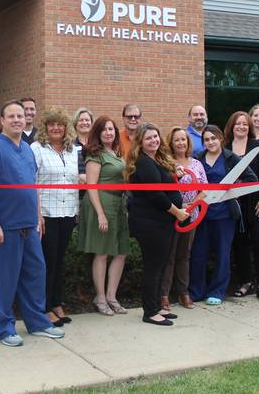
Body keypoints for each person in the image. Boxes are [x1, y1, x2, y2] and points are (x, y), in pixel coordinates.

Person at [0, 100, 64, 347]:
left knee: (35, 274)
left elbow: (33, 185)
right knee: (4, 280)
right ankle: (4, 329)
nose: (18, 119)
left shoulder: (27, 149)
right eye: (12, 116)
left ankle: (37, 323)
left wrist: (38, 216)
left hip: (29, 225)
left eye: (21, 116)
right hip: (4, 228)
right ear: (2, 121)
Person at [126, 124, 190, 326]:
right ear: (140, 143)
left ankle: (156, 307)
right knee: (153, 267)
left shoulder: (158, 160)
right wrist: (177, 211)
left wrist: (175, 175)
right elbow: (156, 195)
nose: (153, 140)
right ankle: (150, 311)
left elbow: (166, 185)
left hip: (163, 223)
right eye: (148, 138)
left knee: (160, 265)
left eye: (155, 136)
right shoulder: (144, 163)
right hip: (150, 224)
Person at [190, 126, 257, 306]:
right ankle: (196, 291)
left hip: (224, 215)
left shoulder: (230, 158)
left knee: (222, 253)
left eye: (213, 138)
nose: (210, 142)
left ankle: (217, 291)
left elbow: (252, 179)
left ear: (220, 139)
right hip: (201, 213)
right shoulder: (197, 159)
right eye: (206, 139)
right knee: (198, 253)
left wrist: (232, 188)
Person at [77, 116, 131, 316]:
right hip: (101, 203)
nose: (109, 132)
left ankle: (111, 296)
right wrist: (100, 214)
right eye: (104, 129)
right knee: (102, 252)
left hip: (118, 205)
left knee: (121, 252)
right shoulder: (95, 154)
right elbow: (91, 186)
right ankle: (100, 298)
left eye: (112, 129)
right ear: (98, 133)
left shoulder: (116, 154)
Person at [30, 107, 79, 326]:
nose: (56, 128)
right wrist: (37, 214)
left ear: (66, 127)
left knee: (59, 260)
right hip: (47, 213)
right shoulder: (36, 149)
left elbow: (73, 181)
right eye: (52, 124)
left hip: (68, 212)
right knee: (47, 261)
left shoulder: (72, 151)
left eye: (60, 124)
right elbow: (32, 182)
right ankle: (44, 307)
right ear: (45, 127)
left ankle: (57, 302)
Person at [224, 112, 259, 303]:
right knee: (240, 245)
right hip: (236, 205)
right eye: (238, 124)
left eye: (245, 124)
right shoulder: (225, 149)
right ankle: (246, 282)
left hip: (258, 203)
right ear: (231, 126)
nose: (242, 127)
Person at [162, 127, 207, 310]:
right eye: (177, 140)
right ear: (171, 143)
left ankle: (183, 293)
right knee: (169, 255)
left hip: (191, 215)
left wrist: (191, 206)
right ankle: (163, 295)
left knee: (184, 255)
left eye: (183, 140)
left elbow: (205, 190)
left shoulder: (196, 164)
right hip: (170, 214)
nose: (181, 143)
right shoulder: (166, 163)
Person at [72, 107, 95, 198]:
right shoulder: (69, 145)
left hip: (95, 192)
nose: (84, 123)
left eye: (87, 120)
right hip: (76, 194)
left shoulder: (97, 144)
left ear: (92, 123)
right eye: (81, 120)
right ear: (75, 124)